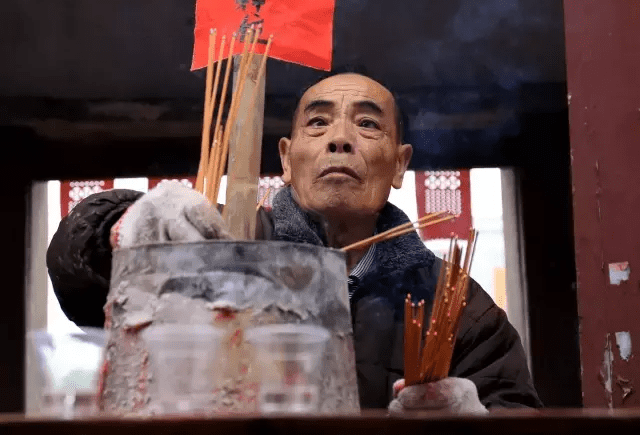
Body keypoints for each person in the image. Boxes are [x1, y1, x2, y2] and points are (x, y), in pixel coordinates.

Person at [47, 72, 542, 413]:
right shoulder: (221, 244)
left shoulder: (454, 303)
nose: (339, 139)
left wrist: (478, 424)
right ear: (286, 158)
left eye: (367, 124)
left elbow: (517, 413)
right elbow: (77, 278)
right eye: (318, 122)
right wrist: (129, 224)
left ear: (399, 163)